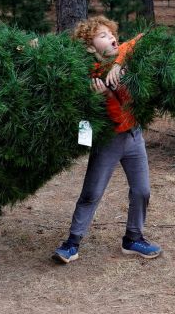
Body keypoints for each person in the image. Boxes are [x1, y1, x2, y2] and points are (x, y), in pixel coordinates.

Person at [52, 15, 161, 264]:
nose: (112, 37)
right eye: (103, 35)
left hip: (134, 135)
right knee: (92, 192)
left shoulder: (123, 56)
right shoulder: (88, 74)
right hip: (108, 141)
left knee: (142, 190)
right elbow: (83, 118)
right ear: (90, 47)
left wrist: (118, 65)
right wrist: (96, 98)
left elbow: (144, 39)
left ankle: (133, 238)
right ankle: (71, 244)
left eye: (112, 33)